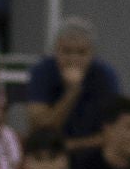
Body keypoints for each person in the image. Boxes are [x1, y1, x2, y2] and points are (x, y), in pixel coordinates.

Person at [25, 18, 122, 151]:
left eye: (81, 52)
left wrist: (68, 146)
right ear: (56, 51)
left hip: (92, 153)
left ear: (92, 54)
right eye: (67, 51)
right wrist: (72, 92)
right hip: (51, 154)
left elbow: (115, 131)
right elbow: (40, 129)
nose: (74, 59)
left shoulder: (105, 76)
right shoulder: (42, 72)